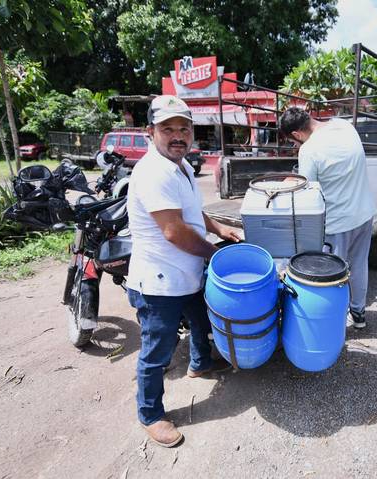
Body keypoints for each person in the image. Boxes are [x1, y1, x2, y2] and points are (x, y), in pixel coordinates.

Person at [127, 95, 241, 447]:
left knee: (200, 322)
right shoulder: (152, 172)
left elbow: (192, 212)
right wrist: (216, 254)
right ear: (150, 132)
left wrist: (219, 229)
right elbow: (174, 230)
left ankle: (200, 364)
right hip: (160, 282)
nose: (178, 136)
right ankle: (150, 414)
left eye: (184, 128)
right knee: (157, 350)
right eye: (168, 129)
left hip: (187, 273)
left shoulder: (183, 166)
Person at [278, 107, 377, 329]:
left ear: (296, 134)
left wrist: (287, 185)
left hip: (337, 224)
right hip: (364, 214)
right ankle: (359, 314)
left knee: (332, 277)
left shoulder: (309, 150)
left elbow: (305, 191)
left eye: (293, 142)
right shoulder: (344, 126)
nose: (295, 146)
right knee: (359, 266)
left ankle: (332, 324)